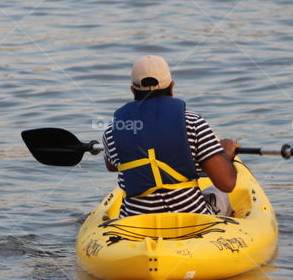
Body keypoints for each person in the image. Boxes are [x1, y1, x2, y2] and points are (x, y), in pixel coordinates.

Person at [102, 55, 239, 217]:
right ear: (172, 87)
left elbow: (112, 165)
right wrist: (225, 155)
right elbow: (227, 183)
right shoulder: (193, 123)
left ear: (133, 90)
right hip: (192, 218)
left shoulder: (112, 130)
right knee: (219, 193)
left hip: (136, 222)